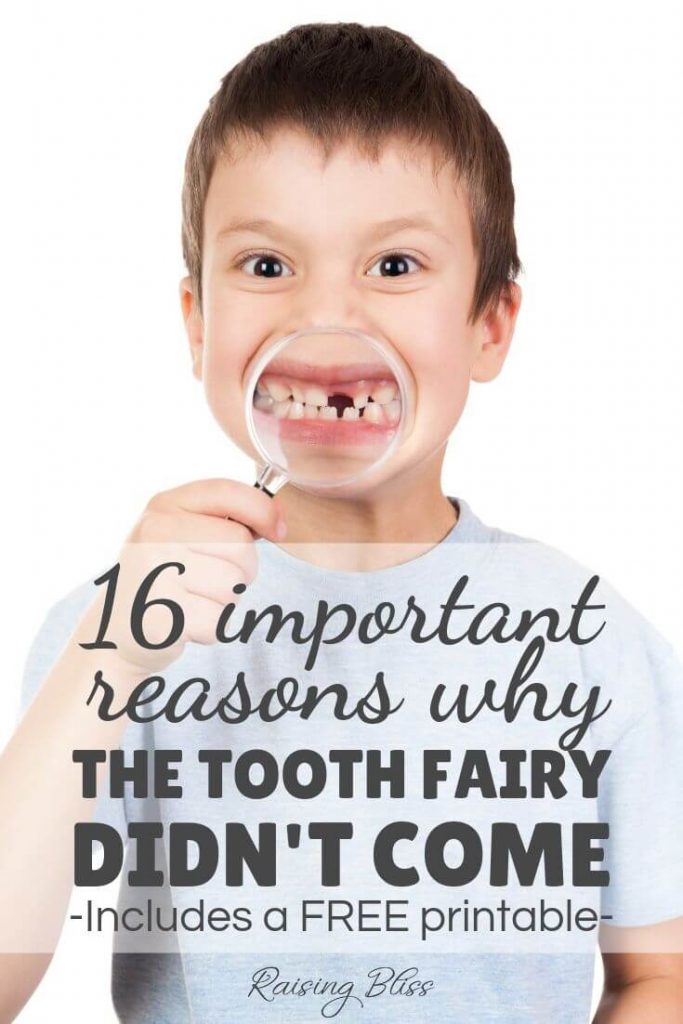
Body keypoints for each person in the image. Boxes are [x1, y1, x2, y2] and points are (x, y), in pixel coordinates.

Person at [2, 21, 682, 1024]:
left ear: (490, 322)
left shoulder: (587, 636)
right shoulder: (124, 624)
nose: (328, 317)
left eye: (395, 265)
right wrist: (108, 659)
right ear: (197, 322)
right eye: (267, 267)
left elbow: (654, 972)